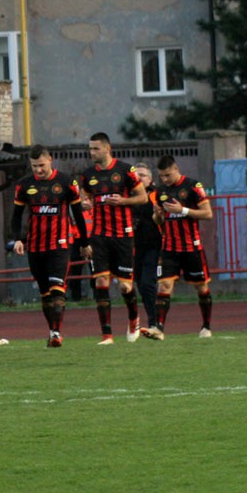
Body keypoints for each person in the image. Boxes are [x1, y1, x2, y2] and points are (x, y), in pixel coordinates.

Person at [10, 145, 89, 347]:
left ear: (50, 160)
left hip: (60, 245)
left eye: (42, 165)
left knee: (57, 289)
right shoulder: (24, 185)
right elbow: (17, 215)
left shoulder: (65, 181)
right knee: (45, 294)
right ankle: (52, 329)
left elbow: (78, 213)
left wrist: (84, 243)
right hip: (35, 247)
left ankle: (56, 333)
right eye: (34, 166)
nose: (38, 170)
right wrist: (18, 238)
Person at [79, 133, 152, 344]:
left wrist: (123, 201)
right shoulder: (88, 175)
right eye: (90, 149)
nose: (91, 153)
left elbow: (143, 198)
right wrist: (86, 204)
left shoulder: (125, 170)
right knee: (101, 281)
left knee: (124, 287)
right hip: (99, 236)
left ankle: (133, 319)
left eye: (95, 149)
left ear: (107, 148)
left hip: (123, 235)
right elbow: (86, 198)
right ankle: (107, 335)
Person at [152, 155, 214, 338]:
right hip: (169, 248)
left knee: (201, 288)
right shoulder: (160, 191)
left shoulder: (193, 187)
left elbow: (208, 213)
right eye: (161, 176)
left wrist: (183, 210)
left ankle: (206, 327)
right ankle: (159, 329)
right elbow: (158, 221)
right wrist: (157, 215)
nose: (164, 179)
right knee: (164, 285)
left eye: (167, 175)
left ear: (176, 168)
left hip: (191, 248)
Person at [130, 163, 162, 330]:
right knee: (139, 283)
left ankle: (154, 321)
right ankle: (153, 317)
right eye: (137, 175)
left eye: (143, 175)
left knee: (147, 282)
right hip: (136, 247)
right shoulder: (130, 196)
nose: (139, 178)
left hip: (153, 244)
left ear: (150, 180)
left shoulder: (157, 196)